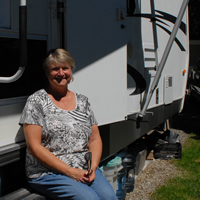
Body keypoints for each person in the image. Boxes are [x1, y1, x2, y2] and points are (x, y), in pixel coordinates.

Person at [19, 48, 117, 200]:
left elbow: (95, 139)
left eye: (65, 68)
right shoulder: (36, 101)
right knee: (89, 199)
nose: (61, 73)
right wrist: (70, 172)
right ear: (46, 71)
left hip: (84, 168)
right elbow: (34, 147)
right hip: (48, 172)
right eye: (55, 69)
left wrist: (93, 167)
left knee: (109, 197)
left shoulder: (83, 101)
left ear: (71, 69)